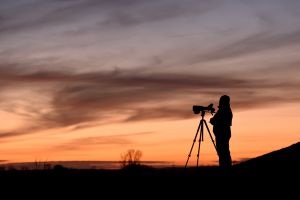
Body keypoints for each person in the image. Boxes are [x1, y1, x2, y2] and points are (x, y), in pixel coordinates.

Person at [209, 95, 233, 168]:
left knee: (223, 152)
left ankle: (225, 167)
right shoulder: (225, 110)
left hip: (222, 135)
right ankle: (225, 166)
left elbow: (219, 121)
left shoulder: (224, 110)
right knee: (224, 152)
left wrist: (213, 120)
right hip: (223, 134)